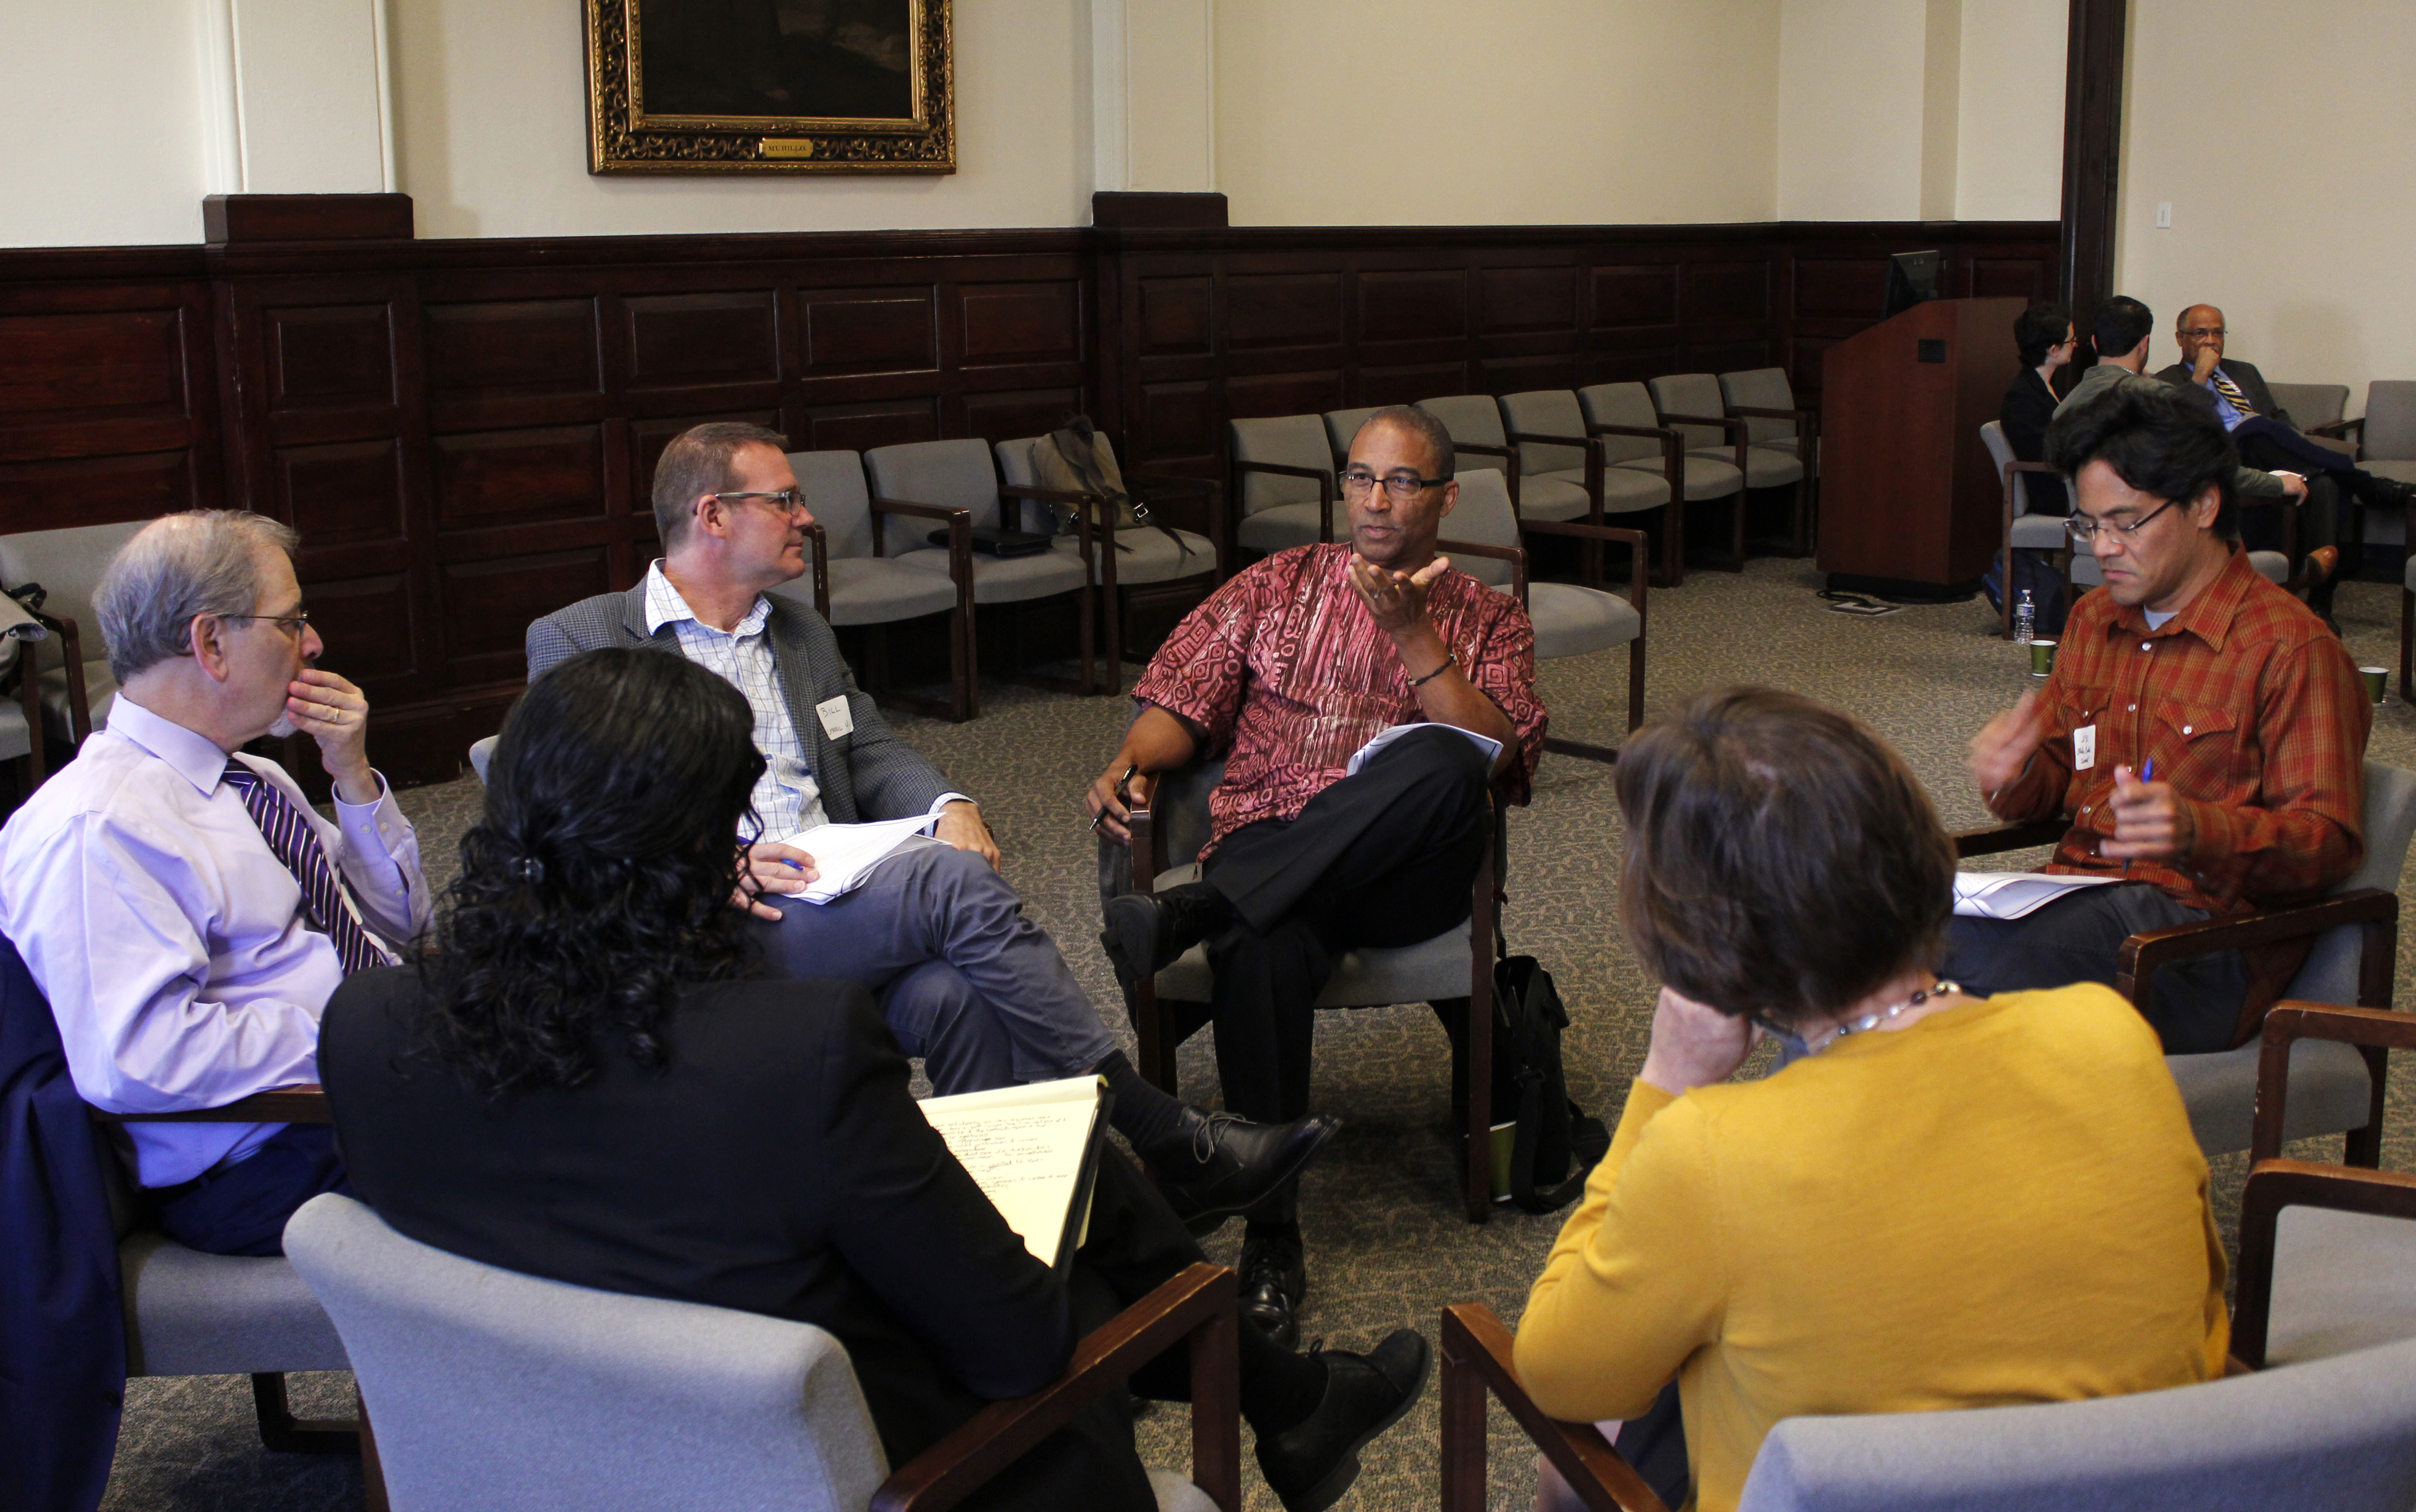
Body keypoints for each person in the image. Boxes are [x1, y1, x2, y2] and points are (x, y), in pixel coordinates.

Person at [318, 648, 1430, 1512]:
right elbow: (1018, 1347)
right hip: (847, 1460)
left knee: (1063, 1167)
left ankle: (1294, 1396)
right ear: (702, 851)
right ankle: (1283, 1391)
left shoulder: (366, 1030)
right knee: (1083, 1230)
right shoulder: (786, 1052)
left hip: (543, 1447)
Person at [527, 423, 1328, 1231]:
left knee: (955, 998)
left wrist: (949, 804)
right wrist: (709, 864)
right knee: (948, 880)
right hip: (709, 919)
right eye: (786, 500)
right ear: (714, 515)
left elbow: (866, 744)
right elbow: (561, 823)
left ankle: (1006, 1235)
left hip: (833, 894)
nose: (807, 518)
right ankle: (1158, 1130)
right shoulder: (582, 639)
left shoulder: (798, 632)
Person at [1511, 687, 2228, 1512]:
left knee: (1591, 1442)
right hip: (2134, 1483)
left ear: (1697, 939)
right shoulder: (2110, 1033)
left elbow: (1557, 1372)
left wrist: (1666, 1082)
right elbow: (2200, 1314)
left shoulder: (1712, 1152)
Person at [1087, 405, 1548, 1347]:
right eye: (1361, 477)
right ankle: (1272, 1235)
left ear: (1446, 496)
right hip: (1271, 839)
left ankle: (1202, 908)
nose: (1376, 500)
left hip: (1406, 874)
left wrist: (1420, 639)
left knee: (1443, 759)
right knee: (1263, 940)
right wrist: (1134, 760)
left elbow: (1499, 757)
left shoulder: (1489, 613)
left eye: (1402, 481)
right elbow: (1179, 697)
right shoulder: (1276, 584)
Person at [0, 510, 427, 1257]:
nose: (316, 643)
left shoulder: (253, 780)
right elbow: (140, 1059)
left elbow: (397, 928)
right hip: (265, 1159)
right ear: (210, 644)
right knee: (581, 1150)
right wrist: (373, 1033)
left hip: (365, 1087)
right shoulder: (96, 824)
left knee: (607, 1082)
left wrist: (352, 775)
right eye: (292, 622)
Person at [1951, 380, 2369, 1053]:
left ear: (2204, 505)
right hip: (2078, 904)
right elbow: (2058, 781)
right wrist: (2017, 770)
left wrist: (2195, 830)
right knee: (1869, 924)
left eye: (2126, 522)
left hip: (2198, 946)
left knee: (1929, 957)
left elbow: (2327, 847)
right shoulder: (2092, 621)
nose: (2104, 548)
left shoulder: (2291, 648)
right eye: (2089, 525)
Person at [2155, 302, 2416, 615]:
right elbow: (2182, 432)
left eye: (2217, 333)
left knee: (2326, 484)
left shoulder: (2245, 371)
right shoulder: (2165, 382)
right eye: (2200, 333)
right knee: (2255, 426)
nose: (2211, 341)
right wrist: (2200, 376)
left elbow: (2277, 415)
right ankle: (2368, 485)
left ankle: (2320, 605)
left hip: (2271, 453)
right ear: (2179, 338)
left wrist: (2292, 439)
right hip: (2228, 456)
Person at [2059, 296, 2333, 589]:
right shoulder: (2157, 398)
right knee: (2224, 502)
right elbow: (2207, 467)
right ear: (2145, 344)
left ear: (2095, 343)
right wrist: (2277, 484)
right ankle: (2282, 580)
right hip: (2157, 535)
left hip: (2092, 532)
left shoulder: (2064, 408)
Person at [2000, 301, 2077, 516]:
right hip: (2050, 493)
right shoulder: (2022, 397)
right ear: (2054, 350)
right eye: (2072, 340)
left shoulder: (2048, 386)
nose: (2075, 345)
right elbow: (2045, 453)